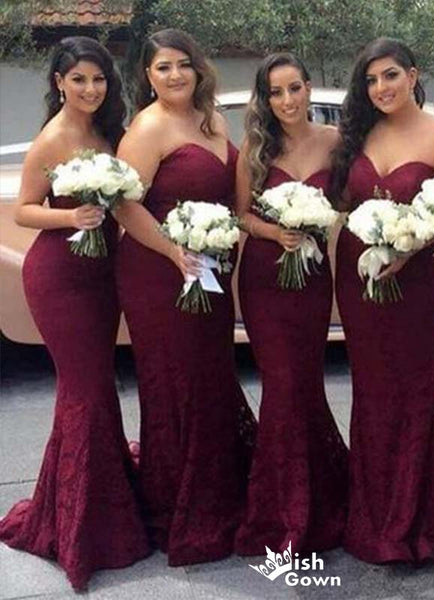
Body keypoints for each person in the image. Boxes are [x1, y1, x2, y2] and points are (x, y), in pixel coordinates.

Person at [0, 36, 150, 590]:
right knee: (83, 389)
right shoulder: (54, 137)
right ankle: (80, 522)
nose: (91, 89)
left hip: (101, 273)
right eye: (79, 79)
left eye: (99, 79)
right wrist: (72, 218)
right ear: (59, 82)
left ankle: (106, 502)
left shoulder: (108, 132)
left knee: (97, 386)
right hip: (60, 276)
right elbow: (24, 210)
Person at [114, 29, 255, 566]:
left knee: (212, 377)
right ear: (147, 76)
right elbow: (126, 206)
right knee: (177, 383)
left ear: (198, 68)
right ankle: (180, 504)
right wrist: (174, 252)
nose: (174, 75)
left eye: (182, 64)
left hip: (209, 273)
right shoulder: (147, 128)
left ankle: (222, 492)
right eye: (162, 67)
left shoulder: (213, 119)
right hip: (159, 274)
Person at [331, 37, 434, 565]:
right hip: (360, 273)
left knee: (414, 386)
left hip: (417, 280)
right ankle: (373, 512)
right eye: (371, 80)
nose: (381, 88)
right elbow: (341, 200)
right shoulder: (357, 133)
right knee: (370, 385)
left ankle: (422, 516)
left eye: (390, 75)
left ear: (413, 75)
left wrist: (408, 248)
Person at [234, 53, 348, 555]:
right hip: (265, 278)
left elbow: (346, 202)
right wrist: (273, 231)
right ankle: (280, 510)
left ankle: (324, 495)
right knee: (280, 386)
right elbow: (241, 215)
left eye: (294, 88)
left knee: (306, 381)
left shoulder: (334, 141)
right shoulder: (256, 147)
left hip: (312, 280)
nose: (287, 100)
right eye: (276, 92)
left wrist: (322, 221)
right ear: (266, 98)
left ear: (308, 88)